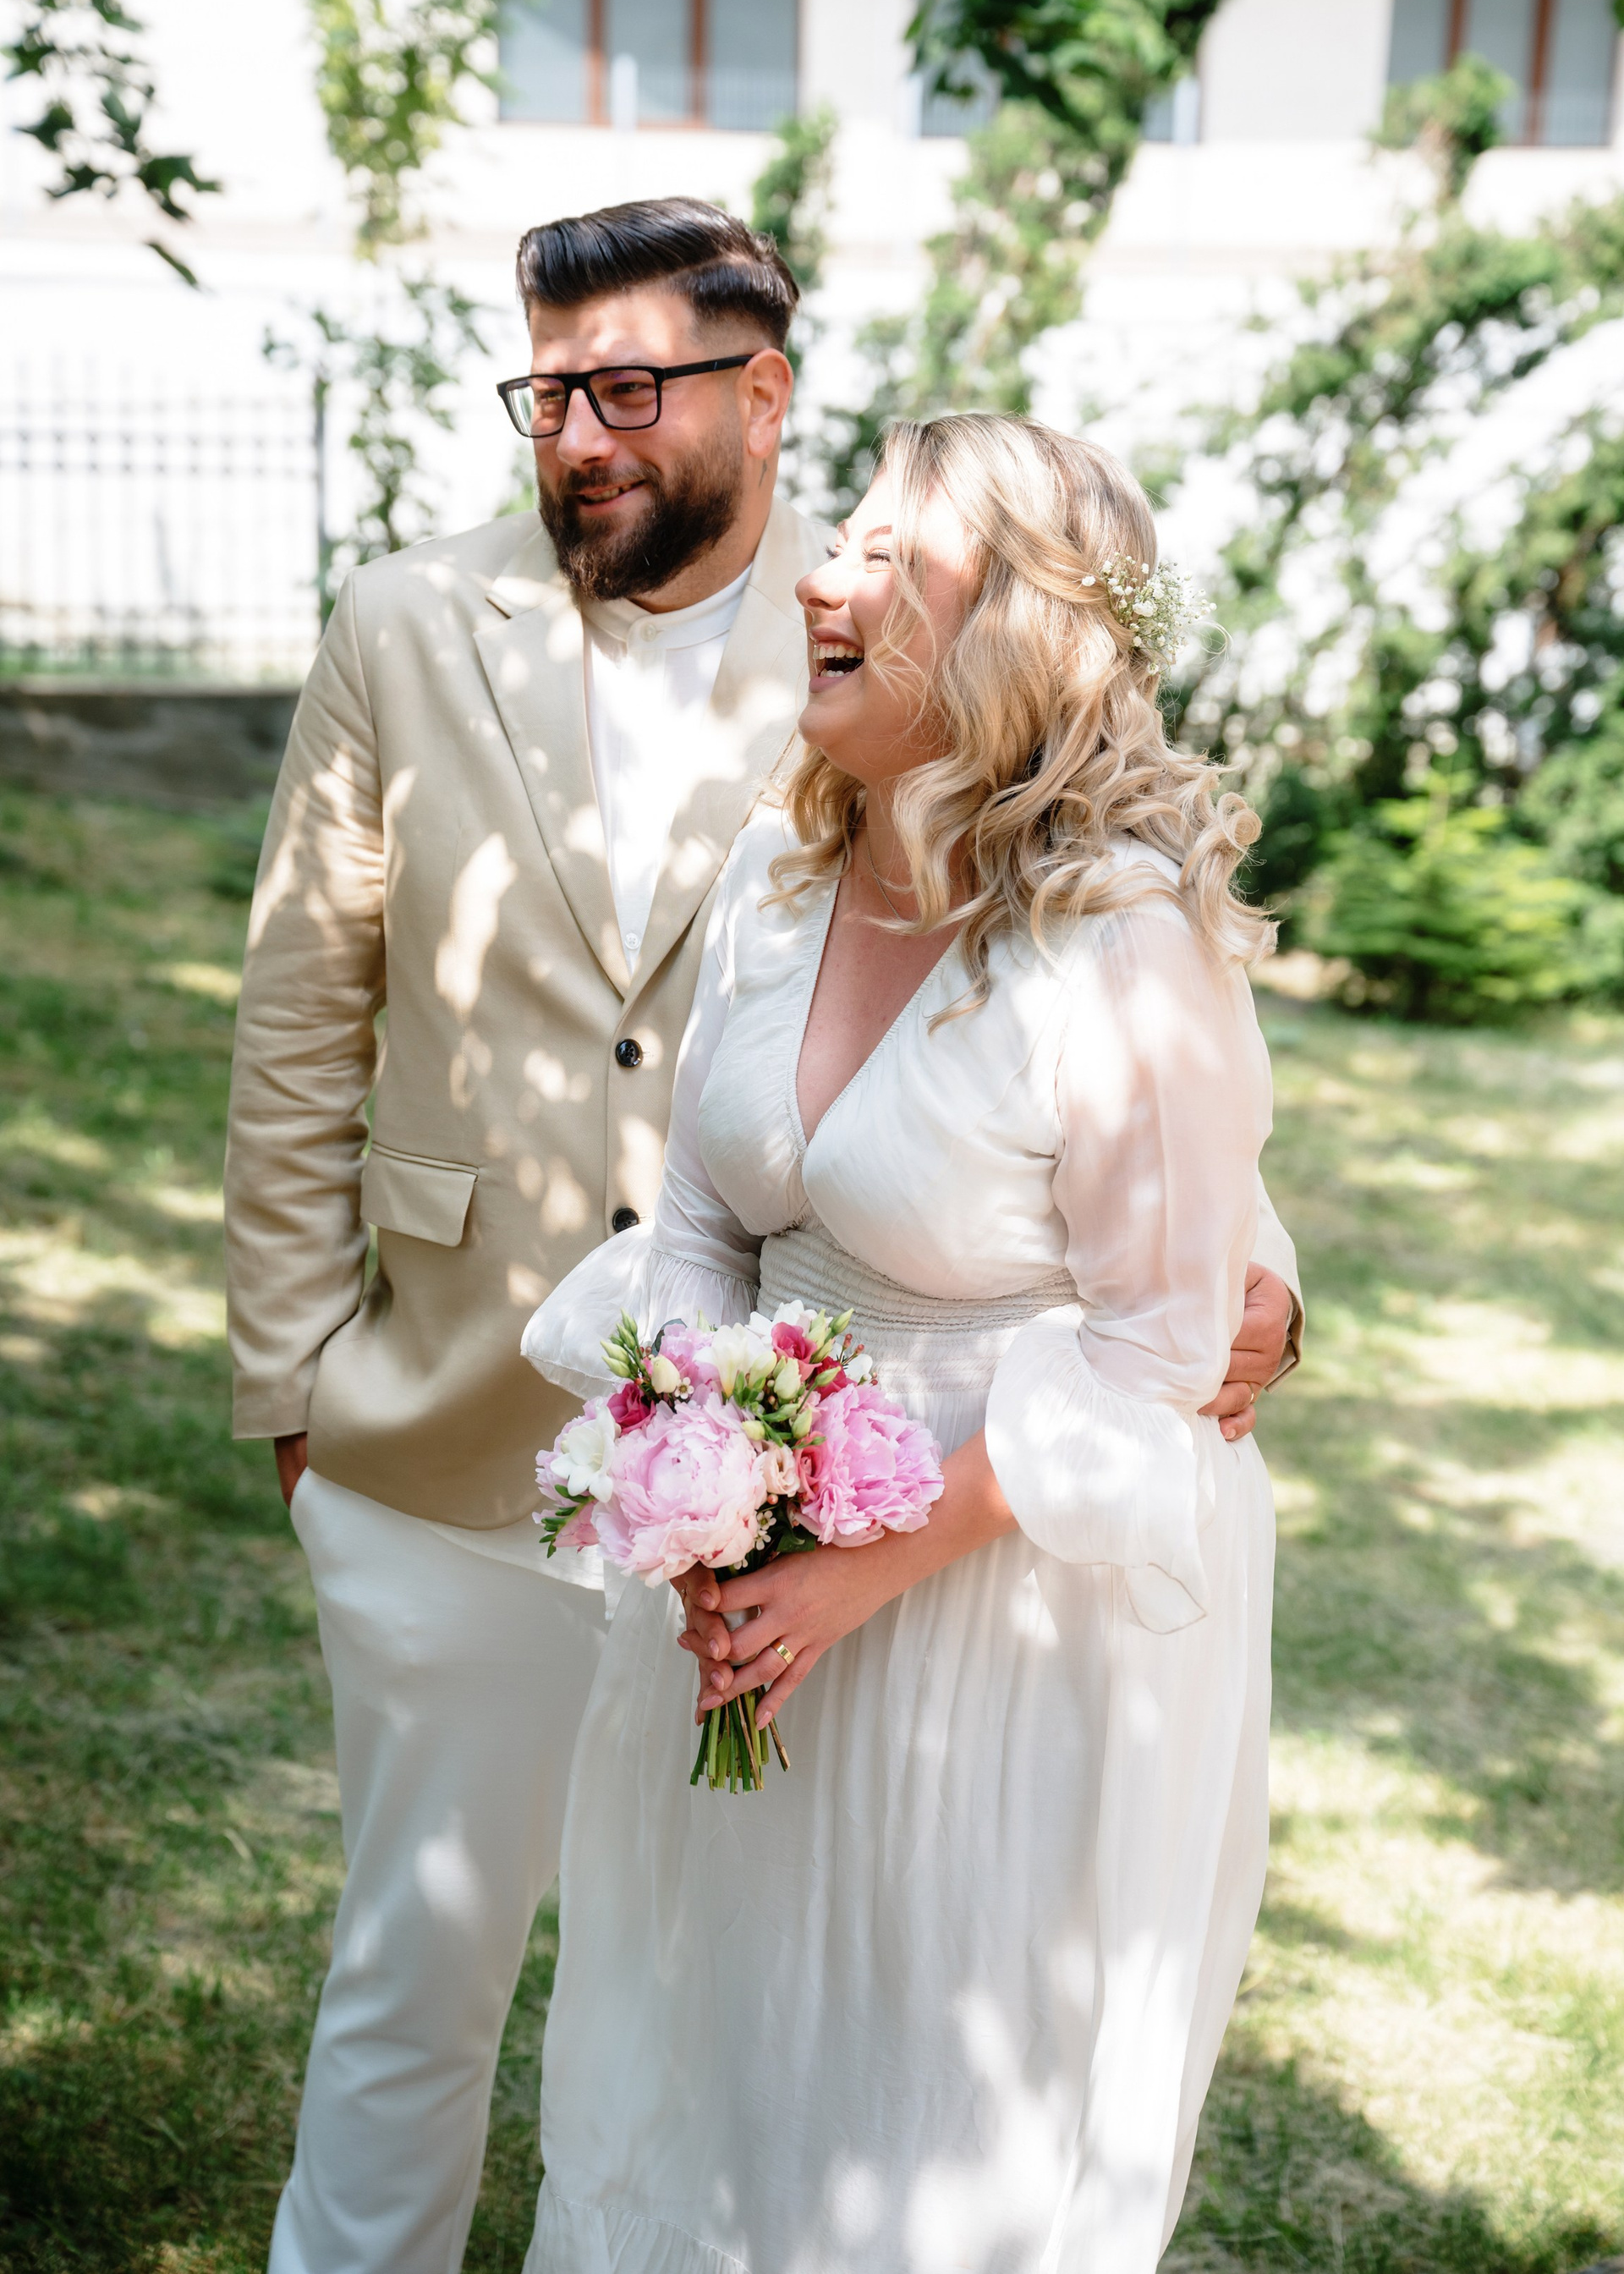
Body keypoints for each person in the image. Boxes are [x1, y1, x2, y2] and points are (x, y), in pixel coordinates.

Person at [225, 192, 1295, 2272]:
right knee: (486, 2008)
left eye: (630, 386)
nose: (580, 433)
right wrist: (326, 1402)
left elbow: (1164, 1195)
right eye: (547, 391)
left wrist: (1257, 1305)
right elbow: (312, 1023)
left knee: (852, 2076)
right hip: (519, 1466)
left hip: (960, 1595)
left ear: (761, 389)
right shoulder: (459, 659)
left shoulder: (980, 773)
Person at [522, 411, 1293, 2274]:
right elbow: (699, 1225)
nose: (822, 577)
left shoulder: (1122, 942)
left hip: (1006, 1617)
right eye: (839, 539)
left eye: (885, 553)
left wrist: (856, 1573)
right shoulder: (780, 882)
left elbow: (1162, 1347)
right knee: (724, 2075)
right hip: (756, 1589)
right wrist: (700, 1500)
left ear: (1015, 629)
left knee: (928, 2110)